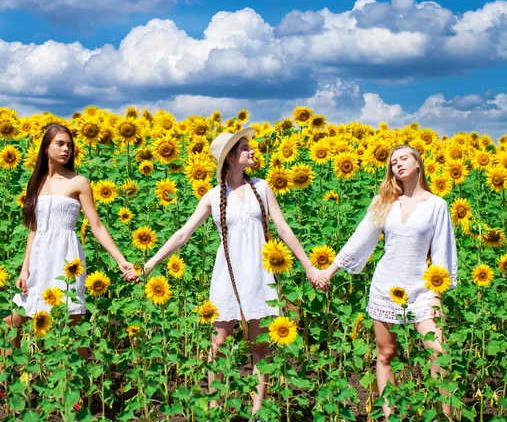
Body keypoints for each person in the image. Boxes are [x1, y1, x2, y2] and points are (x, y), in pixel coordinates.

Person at [145, 127, 327, 414]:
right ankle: (216, 407)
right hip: (226, 276)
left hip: (259, 275)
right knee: (218, 345)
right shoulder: (212, 196)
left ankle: (257, 412)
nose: (252, 150)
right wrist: (152, 261)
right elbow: (183, 234)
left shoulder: (263, 187)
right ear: (230, 157)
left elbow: (283, 228)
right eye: (244, 147)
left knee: (260, 349)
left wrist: (309, 267)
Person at [320, 144, 457, 420]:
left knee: (440, 355)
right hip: (386, 287)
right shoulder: (384, 202)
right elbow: (360, 240)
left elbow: (442, 252)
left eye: (404, 158)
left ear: (418, 163)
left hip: (422, 292)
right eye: (393, 162)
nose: (398, 164)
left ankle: (444, 417)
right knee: (386, 354)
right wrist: (329, 272)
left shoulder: (436, 205)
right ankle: (389, 415)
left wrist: (438, 297)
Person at [5, 124, 137, 350]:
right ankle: (5, 382)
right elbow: (33, 229)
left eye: (69, 145)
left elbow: (96, 225)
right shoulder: (36, 182)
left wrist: (121, 260)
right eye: (60, 143)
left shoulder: (79, 182)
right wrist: (25, 268)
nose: (66, 149)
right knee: (9, 324)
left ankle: (76, 383)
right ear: (46, 148)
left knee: (71, 327)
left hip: (66, 259)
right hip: (38, 259)